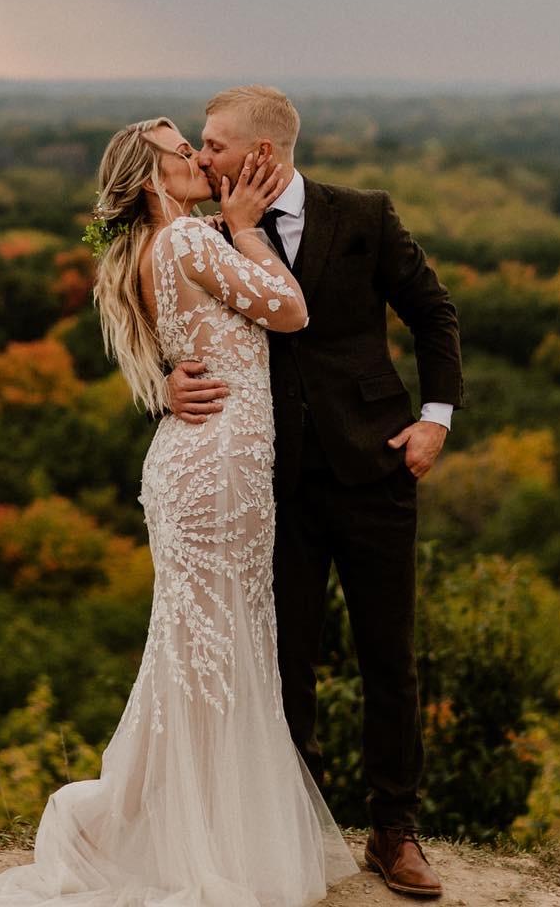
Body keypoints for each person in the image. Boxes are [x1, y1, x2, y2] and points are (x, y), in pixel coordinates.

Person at [0, 117, 357, 907]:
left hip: (204, 463)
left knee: (201, 649)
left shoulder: (166, 245)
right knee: (212, 653)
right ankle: (197, 842)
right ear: (154, 177)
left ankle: (191, 826)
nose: (198, 159)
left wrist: (228, 228)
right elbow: (289, 310)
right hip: (215, 469)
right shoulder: (185, 244)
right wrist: (247, 231)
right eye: (185, 152)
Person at [171, 86, 463, 901]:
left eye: (215, 146)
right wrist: (167, 379)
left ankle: (395, 834)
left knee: (387, 658)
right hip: (273, 483)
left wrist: (436, 419)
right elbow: (164, 321)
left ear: (263, 154)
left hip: (377, 468)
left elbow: (433, 314)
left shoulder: (364, 215)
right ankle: (290, 835)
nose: (202, 159)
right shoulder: (201, 235)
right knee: (282, 662)